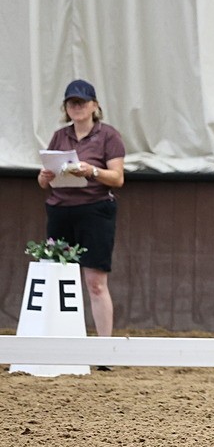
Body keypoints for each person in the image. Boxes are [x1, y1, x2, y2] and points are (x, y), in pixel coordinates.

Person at [36, 79, 126, 337]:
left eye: (82, 102)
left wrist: (92, 170)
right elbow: (43, 182)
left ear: (94, 106)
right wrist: (44, 176)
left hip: (95, 211)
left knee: (95, 283)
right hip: (60, 210)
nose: (76, 107)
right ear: (65, 108)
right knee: (56, 279)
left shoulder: (109, 135)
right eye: (71, 102)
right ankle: (55, 341)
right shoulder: (59, 136)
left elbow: (118, 178)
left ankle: (104, 350)